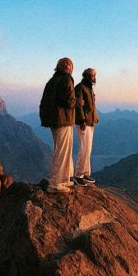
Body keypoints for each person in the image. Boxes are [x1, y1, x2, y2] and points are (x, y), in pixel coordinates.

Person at [39, 57, 77, 194]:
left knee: (61, 149)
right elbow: (69, 101)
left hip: (53, 121)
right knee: (62, 151)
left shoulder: (51, 81)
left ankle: (65, 179)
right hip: (63, 120)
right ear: (69, 68)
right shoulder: (67, 79)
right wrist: (77, 101)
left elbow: (44, 102)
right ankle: (56, 184)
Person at [72, 67, 99, 186]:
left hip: (90, 122)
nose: (94, 78)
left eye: (94, 76)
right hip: (83, 122)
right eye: (92, 76)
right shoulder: (80, 88)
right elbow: (78, 105)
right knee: (83, 148)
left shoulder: (89, 88)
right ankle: (78, 175)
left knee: (88, 148)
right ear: (86, 76)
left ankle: (85, 172)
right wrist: (82, 119)